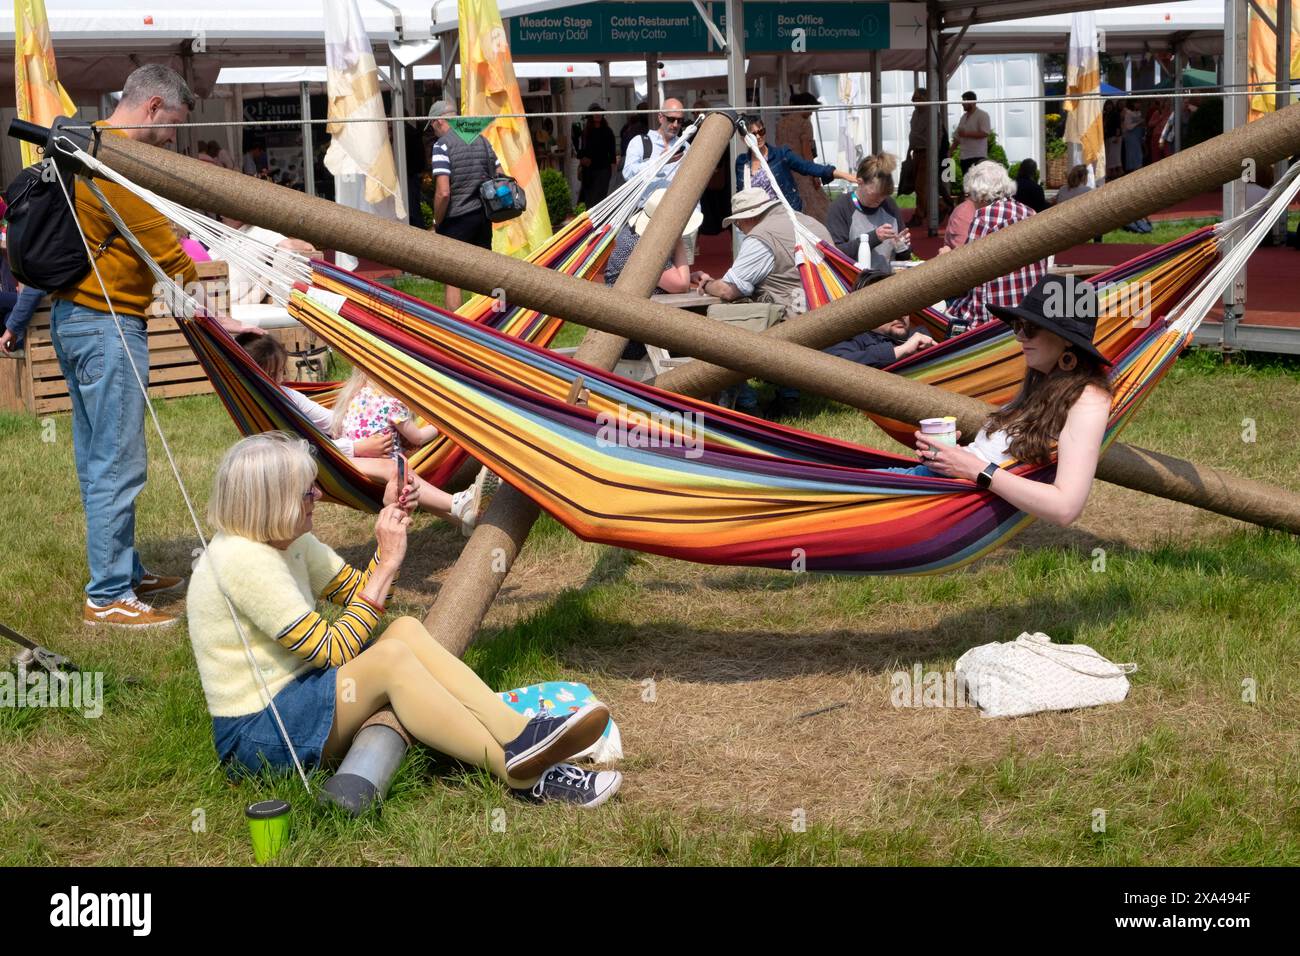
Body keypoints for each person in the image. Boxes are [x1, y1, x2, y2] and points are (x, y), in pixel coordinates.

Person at [188, 432, 623, 806]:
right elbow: (335, 648)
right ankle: (520, 769)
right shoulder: (243, 560)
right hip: (259, 734)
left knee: (405, 630)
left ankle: (521, 737)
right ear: (273, 502)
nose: (318, 496)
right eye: (307, 491)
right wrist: (389, 564)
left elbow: (365, 598)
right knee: (392, 658)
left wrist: (388, 536)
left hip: (297, 699)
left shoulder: (287, 540)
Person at [51, 65, 261, 629]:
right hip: (107, 326)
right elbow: (167, 253)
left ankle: (122, 567)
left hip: (77, 321)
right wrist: (223, 319)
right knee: (118, 465)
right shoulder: (114, 160)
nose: (172, 138)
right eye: (172, 126)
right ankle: (108, 596)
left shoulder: (90, 140)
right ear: (151, 107)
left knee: (100, 462)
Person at [904, 274, 1113, 529]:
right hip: (926, 484)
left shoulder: (1088, 400)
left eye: (1031, 328)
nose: (1020, 337)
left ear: (1067, 338)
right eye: (1018, 325)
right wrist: (952, 456)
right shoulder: (1042, 381)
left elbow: (1065, 508)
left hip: (933, 502)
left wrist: (975, 468)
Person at [236, 336, 490, 533]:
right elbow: (303, 447)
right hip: (308, 462)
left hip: (323, 456)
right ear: (263, 374)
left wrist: (358, 437)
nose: (284, 378)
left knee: (395, 473)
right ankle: (458, 505)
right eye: (279, 373)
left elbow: (329, 422)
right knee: (394, 470)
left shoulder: (287, 395)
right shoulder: (265, 407)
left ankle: (461, 518)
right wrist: (356, 448)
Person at [696, 188, 834, 419]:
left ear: (749, 217)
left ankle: (746, 402)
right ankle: (789, 397)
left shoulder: (762, 235)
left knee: (722, 323)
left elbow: (728, 290)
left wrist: (706, 282)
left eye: (738, 224)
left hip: (790, 322)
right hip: (827, 318)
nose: (738, 229)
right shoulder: (811, 223)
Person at [945, 161, 1046, 330]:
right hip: (1028, 314)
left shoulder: (984, 218)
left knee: (936, 306)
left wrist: (945, 259)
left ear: (981, 193)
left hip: (991, 318)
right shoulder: (1030, 213)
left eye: (969, 194)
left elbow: (967, 272)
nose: (970, 200)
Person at [428, 100, 504, 311]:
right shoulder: (482, 141)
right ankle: (490, 322)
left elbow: (443, 192)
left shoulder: (442, 145)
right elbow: (499, 176)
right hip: (483, 216)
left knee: (453, 277)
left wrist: (437, 221)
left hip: (456, 218)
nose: (434, 132)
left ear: (440, 121)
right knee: (484, 275)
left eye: (433, 126)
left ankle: (457, 330)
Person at [734, 114, 856, 214]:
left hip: (783, 216)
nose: (759, 137)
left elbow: (808, 166)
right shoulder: (741, 162)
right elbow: (741, 193)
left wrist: (847, 176)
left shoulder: (781, 155)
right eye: (753, 134)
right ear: (743, 139)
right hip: (754, 220)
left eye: (761, 131)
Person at [824, 270, 935, 368]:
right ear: (865, 311)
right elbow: (833, 367)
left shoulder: (921, 336)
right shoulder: (849, 339)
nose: (900, 313)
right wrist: (903, 350)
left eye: (903, 304)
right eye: (888, 306)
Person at [825, 154, 910, 274]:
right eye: (875, 195)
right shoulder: (841, 207)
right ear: (860, 182)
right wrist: (874, 238)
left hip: (888, 283)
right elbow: (835, 254)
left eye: (884, 195)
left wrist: (902, 246)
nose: (880, 200)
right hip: (854, 284)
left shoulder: (889, 205)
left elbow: (903, 259)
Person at [776, 92, 832, 222]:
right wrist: (815, 175)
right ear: (805, 106)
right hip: (802, 172)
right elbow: (807, 152)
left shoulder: (781, 123)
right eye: (811, 109)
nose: (811, 113)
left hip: (785, 171)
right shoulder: (804, 124)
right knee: (813, 208)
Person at [622, 99, 689, 181]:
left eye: (680, 121)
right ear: (660, 117)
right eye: (671, 119)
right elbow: (628, 174)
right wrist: (660, 161)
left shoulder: (685, 145)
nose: (675, 125)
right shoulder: (640, 142)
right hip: (648, 193)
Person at [577, 104, 616, 208]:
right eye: (595, 113)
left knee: (601, 198)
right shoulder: (585, 132)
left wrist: (613, 168)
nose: (598, 115)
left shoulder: (608, 131)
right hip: (589, 172)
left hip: (603, 170)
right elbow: (579, 150)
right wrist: (582, 158)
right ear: (590, 116)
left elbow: (612, 152)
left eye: (599, 112)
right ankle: (591, 222)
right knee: (589, 200)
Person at [1053, 164, 1102, 243]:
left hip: (1062, 225)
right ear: (1083, 177)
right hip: (1080, 226)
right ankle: (1097, 243)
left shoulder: (1062, 189)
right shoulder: (1087, 190)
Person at [954, 91, 992, 175]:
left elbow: (985, 133)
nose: (962, 104)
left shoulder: (982, 115)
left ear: (972, 102)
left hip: (978, 156)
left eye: (965, 101)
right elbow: (957, 137)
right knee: (968, 184)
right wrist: (950, 151)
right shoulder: (963, 117)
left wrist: (966, 134)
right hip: (964, 157)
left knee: (977, 184)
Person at [1121, 99, 1145, 173]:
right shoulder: (1128, 113)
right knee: (1134, 154)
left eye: (1139, 103)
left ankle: (1138, 169)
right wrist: (1138, 123)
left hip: (1137, 135)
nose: (1139, 104)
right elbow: (1128, 126)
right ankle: (1135, 170)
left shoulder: (1138, 112)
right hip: (1131, 136)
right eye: (1137, 103)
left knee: (1138, 154)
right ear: (1132, 103)